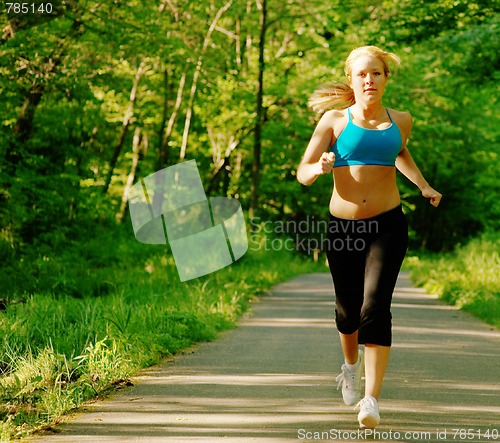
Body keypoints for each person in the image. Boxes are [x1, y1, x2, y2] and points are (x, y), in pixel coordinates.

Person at [296, 46, 442, 429]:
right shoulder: (334, 121)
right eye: (362, 74)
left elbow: (399, 152)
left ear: (385, 78)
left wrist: (424, 186)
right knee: (348, 312)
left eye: (376, 73)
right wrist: (320, 166)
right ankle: (349, 366)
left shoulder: (402, 120)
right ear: (351, 79)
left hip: (387, 226)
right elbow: (302, 171)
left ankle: (372, 399)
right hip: (343, 228)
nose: (369, 80)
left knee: (374, 308)